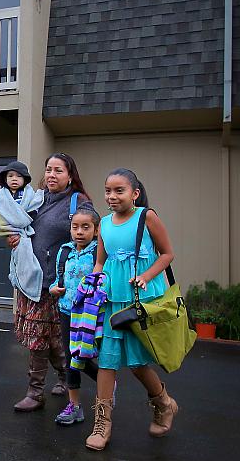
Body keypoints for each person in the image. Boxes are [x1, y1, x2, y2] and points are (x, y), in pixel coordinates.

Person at [85, 168, 178, 451]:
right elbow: (100, 261)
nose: (112, 197)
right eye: (108, 191)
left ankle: (163, 403)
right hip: (113, 301)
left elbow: (167, 254)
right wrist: (95, 277)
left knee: (138, 364)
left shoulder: (146, 217)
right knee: (107, 362)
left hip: (141, 301)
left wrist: (147, 276)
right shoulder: (103, 223)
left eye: (119, 191)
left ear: (135, 193)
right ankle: (102, 423)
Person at [5, 153, 92, 412]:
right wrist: (12, 237)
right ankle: (65, 378)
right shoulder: (36, 198)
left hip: (57, 284)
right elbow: (20, 226)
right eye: (48, 170)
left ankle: (35, 393)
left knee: (42, 339)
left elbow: (90, 229)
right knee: (49, 338)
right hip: (31, 279)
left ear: (70, 176)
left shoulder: (78, 202)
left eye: (59, 171)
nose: (52, 175)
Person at [48, 207, 101, 425]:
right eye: (75, 227)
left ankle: (105, 382)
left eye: (85, 227)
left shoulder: (99, 252)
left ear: (96, 230)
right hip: (66, 311)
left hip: (89, 314)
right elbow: (57, 278)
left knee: (84, 356)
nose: (79, 232)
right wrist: (53, 288)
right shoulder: (65, 251)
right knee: (71, 358)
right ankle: (74, 406)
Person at [0, 161, 45, 304]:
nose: (14, 179)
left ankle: (28, 279)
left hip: (25, 232)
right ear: (5, 179)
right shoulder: (2, 196)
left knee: (26, 260)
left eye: (19, 176)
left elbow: (33, 209)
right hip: (12, 231)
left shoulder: (28, 193)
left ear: (25, 179)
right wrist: (9, 230)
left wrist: (23, 221)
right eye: (10, 176)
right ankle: (19, 279)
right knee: (18, 258)